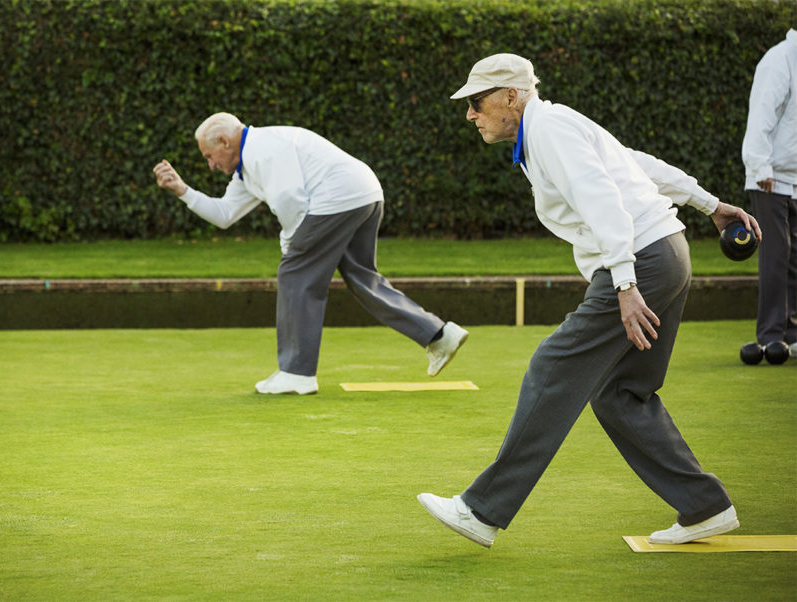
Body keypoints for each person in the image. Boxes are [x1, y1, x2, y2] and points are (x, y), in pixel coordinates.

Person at [417, 53, 763, 548]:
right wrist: (708, 203)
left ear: (511, 96)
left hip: (641, 261)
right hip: (667, 253)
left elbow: (603, 197)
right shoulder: (549, 128)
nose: (471, 114)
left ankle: (481, 510)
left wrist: (624, 284)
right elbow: (633, 164)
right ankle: (704, 506)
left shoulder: (550, 130)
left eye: (477, 102)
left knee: (552, 366)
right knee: (622, 393)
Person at [152, 113, 468, 395]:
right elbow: (224, 214)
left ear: (223, 140)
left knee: (294, 273)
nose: (210, 164)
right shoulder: (246, 168)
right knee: (362, 278)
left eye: (210, 156)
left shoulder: (263, 148)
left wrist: (291, 248)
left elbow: (290, 199)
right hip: (365, 193)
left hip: (337, 199)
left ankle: (296, 373)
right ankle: (440, 335)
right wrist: (182, 190)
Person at [742, 29, 797, 361]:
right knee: (776, 257)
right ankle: (771, 335)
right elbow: (762, 114)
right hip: (770, 178)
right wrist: (759, 166)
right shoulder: (779, 59)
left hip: (794, 177)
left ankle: (791, 332)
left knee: (794, 259)